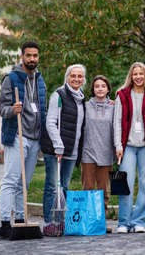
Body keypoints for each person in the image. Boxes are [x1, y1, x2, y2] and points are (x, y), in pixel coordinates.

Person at [0, 41, 47, 238]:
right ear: (22, 57)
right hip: (18, 135)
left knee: (23, 184)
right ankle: (4, 224)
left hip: (34, 139)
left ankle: (19, 219)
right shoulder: (11, 79)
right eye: (29, 55)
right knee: (11, 180)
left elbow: (41, 109)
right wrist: (12, 110)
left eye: (35, 55)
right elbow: (2, 108)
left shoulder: (40, 80)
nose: (32, 59)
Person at [114, 62, 145, 234]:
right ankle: (124, 222)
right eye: (135, 74)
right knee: (125, 184)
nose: (138, 77)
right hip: (127, 146)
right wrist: (118, 145)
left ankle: (139, 221)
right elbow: (117, 122)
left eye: (141, 74)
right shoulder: (122, 95)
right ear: (131, 76)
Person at [40, 64, 86, 236]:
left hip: (71, 151)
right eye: (73, 75)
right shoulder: (58, 95)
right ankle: (48, 222)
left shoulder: (81, 98)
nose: (76, 79)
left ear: (83, 79)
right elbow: (50, 122)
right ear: (67, 77)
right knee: (52, 186)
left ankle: (59, 222)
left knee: (64, 186)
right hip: (55, 150)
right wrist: (58, 144)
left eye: (79, 76)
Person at [81, 75, 115, 233]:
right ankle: (88, 221)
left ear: (108, 89)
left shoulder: (114, 107)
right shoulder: (85, 106)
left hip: (106, 153)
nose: (100, 89)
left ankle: (101, 221)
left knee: (103, 191)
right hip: (88, 152)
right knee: (88, 188)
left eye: (103, 86)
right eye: (97, 86)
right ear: (93, 89)